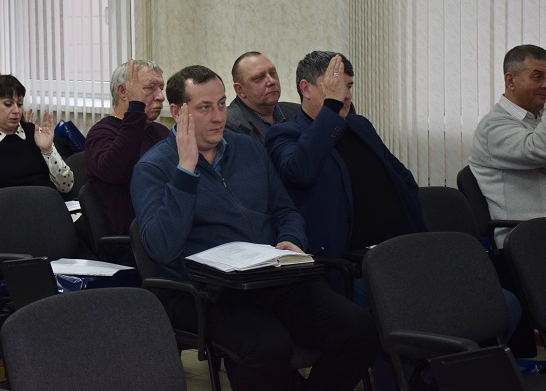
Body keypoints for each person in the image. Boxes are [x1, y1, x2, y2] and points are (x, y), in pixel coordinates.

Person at [131, 65, 377, 391]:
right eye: (205, 108)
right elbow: (161, 247)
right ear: (177, 112)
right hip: (208, 293)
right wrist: (186, 171)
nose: (218, 117)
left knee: (359, 329)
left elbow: (284, 210)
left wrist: (290, 238)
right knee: (268, 348)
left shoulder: (247, 148)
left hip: (270, 279)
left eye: (222, 104)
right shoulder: (152, 168)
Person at [265, 51, 425, 270]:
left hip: (403, 247)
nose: (346, 96)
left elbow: (401, 176)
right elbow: (299, 172)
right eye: (335, 88)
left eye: (348, 87)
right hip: (350, 262)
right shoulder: (284, 134)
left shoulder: (360, 125)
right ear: (306, 89)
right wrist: (331, 106)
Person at [470, 44, 546, 247]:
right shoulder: (493, 126)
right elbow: (539, 150)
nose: (545, 84)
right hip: (525, 239)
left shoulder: (538, 120)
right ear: (510, 81)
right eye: (537, 77)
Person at [0, 75, 73, 201]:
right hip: (3, 211)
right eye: (8, 104)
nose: (16, 110)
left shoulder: (35, 134)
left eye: (20, 104)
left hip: (45, 205)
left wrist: (47, 151)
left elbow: (66, 186)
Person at [84, 58, 168, 235]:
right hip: (132, 237)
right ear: (123, 92)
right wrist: (136, 109)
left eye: (161, 88)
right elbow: (117, 172)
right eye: (150, 88)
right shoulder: (101, 134)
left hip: (166, 225)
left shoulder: (159, 131)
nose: (161, 96)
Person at [226, 51, 300, 143]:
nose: (271, 81)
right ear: (240, 90)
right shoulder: (228, 125)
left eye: (273, 73)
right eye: (259, 77)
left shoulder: (297, 112)